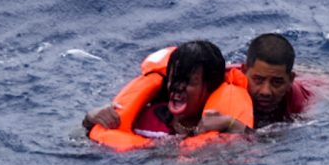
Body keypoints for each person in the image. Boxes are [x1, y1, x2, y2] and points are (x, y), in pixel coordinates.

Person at [83, 40, 229, 138]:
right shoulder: (144, 118)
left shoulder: (225, 127)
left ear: (211, 86)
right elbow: (77, 140)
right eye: (175, 78)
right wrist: (90, 120)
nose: (177, 87)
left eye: (187, 82)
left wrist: (233, 125)